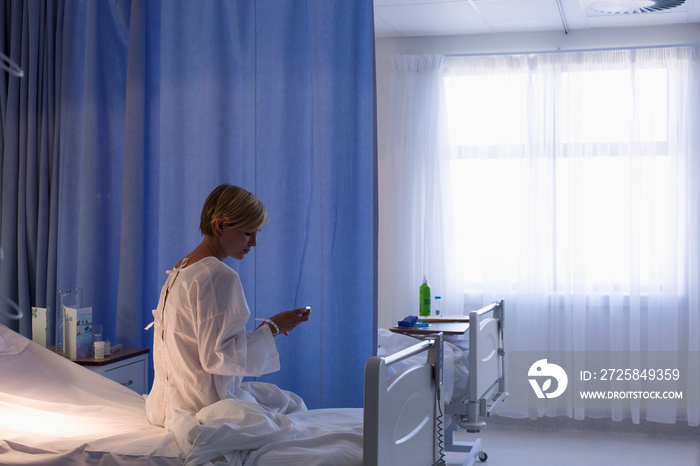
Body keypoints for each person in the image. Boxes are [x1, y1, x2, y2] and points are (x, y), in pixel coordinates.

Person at [145, 184, 311, 429]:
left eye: (257, 233)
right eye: (248, 233)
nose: (254, 243)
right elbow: (218, 357)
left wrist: (266, 327)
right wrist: (273, 328)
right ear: (220, 225)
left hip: (163, 406)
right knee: (291, 407)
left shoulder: (181, 269)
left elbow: (202, 345)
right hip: (200, 408)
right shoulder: (218, 275)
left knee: (280, 401)